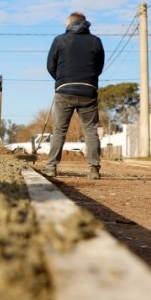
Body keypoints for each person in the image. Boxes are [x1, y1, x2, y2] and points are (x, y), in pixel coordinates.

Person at [45, 11, 105, 179]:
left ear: (69, 24)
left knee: (59, 130)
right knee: (91, 131)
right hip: (88, 90)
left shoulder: (59, 40)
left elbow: (50, 65)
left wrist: (61, 80)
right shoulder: (96, 41)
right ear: (85, 24)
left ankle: (51, 167)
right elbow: (99, 67)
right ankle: (94, 169)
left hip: (64, 90)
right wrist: (89, 80)